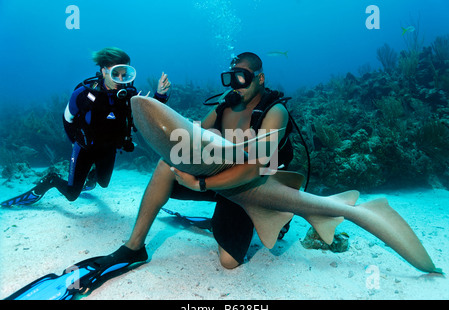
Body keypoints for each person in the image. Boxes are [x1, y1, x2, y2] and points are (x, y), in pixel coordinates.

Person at [120, 52, 295, 269]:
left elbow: (254, 169)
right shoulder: (226, 104)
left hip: (252, 188)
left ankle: (271, 216)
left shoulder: (275, 112)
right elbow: (196, 138)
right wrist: (219, 106)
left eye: (242, 78)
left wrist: (201, 184)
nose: (235, 86)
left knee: (229, 262)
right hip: (221, 178)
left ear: (260, 79)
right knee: (167, 164)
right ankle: (134, 246)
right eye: (230, 79)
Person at [1, 47, 171, 207]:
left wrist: (160, 95)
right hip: (85, 148)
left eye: (124, 74)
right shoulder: (83, 94)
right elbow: (68, 118)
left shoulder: (129, 96)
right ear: (104, 70)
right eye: (115, 74)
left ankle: (91, 176)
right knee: (72, 195)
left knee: (103, 183)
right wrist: (74, 141)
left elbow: (147, 116)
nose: (120, 80)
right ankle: (51, 180)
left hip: (109, 148)